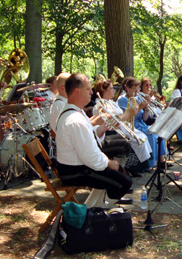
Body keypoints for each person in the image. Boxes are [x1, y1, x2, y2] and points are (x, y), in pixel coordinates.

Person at [55, 73, 132, 207]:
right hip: (74, 172)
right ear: (76, 92)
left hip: (76, 166)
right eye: (88, 89)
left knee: (117, 173)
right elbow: (90, 157)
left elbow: (88, 137)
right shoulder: (75, 119)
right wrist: (109, 163)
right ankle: (94, 211)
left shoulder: (76, 112)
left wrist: (102, 127)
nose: (91, 92)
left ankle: (94, 208)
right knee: (124, 182)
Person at [94, 78, 153, 175]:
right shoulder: (101, 105)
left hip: (123, 126)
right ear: (104, 91)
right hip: (114, 130)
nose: (114, 90)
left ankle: (133, 169)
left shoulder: (111, 102)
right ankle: (127, 169)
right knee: (134, 140)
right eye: (111, 88)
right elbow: (111, 120)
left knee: (142, 137)